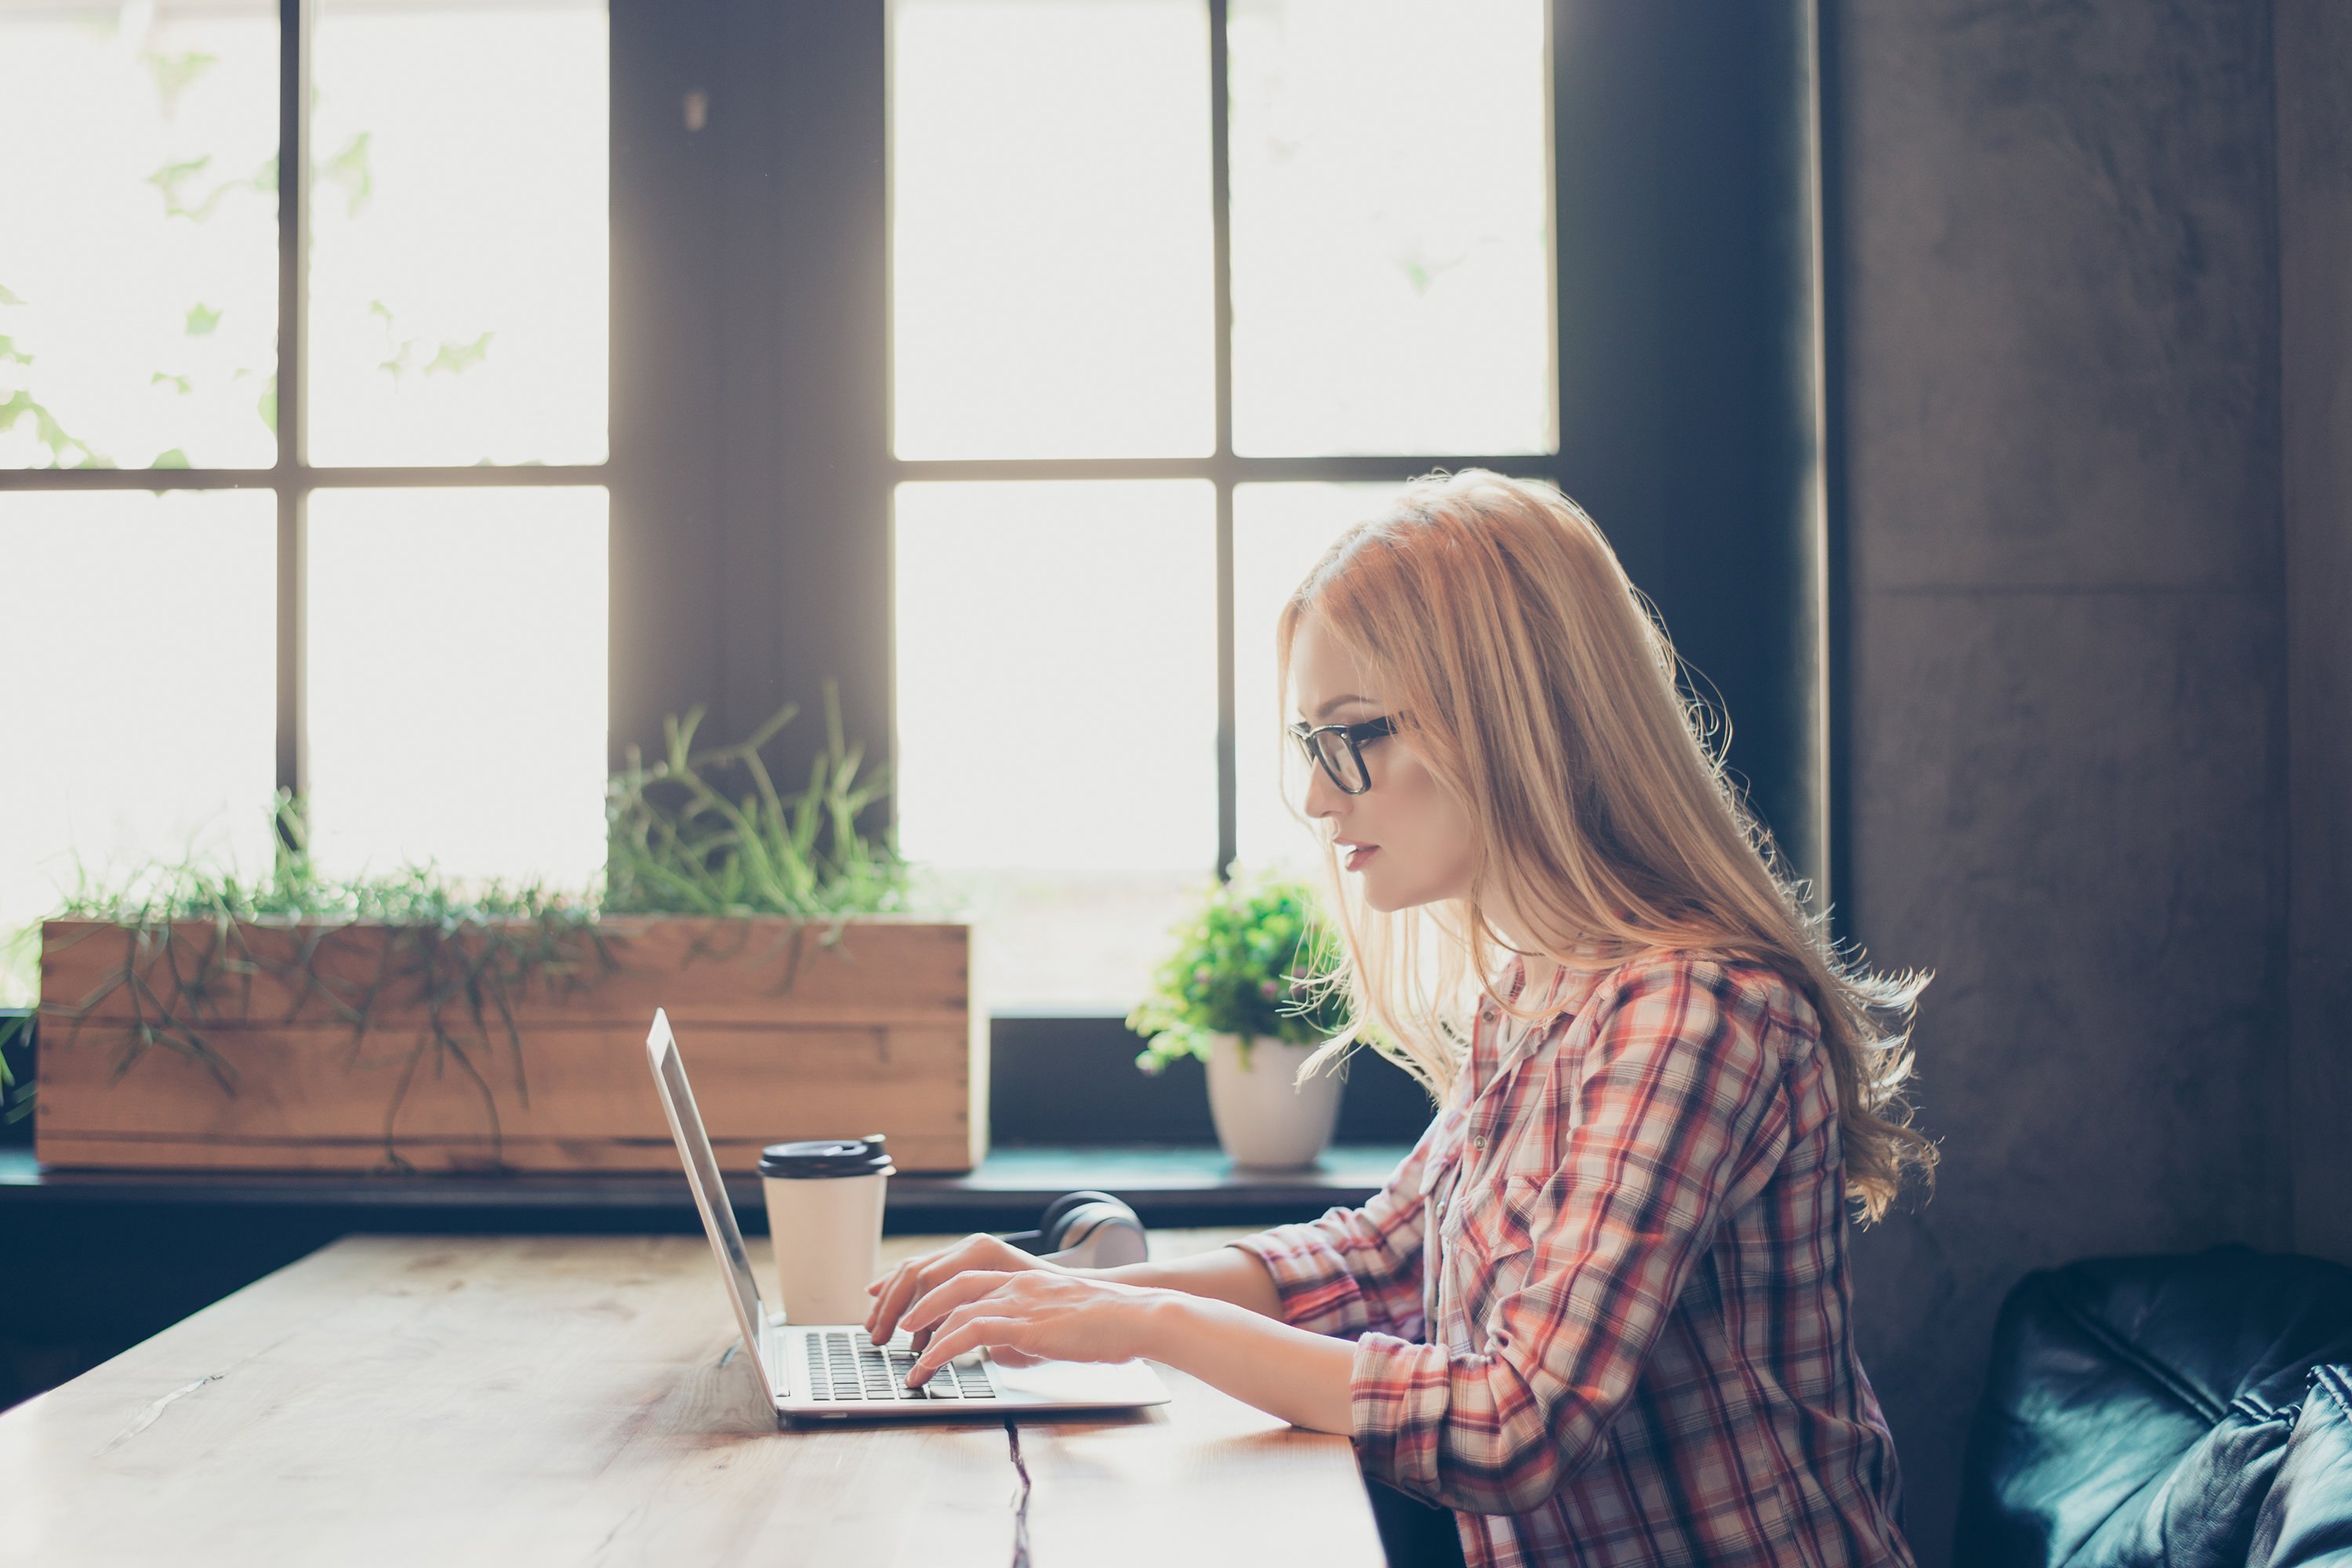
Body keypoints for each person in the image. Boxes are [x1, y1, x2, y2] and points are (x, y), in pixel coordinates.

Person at [864, 470, 1933, 1567]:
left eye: (1353, 735)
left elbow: (1510, 1427)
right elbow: (1383, 1253)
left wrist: (1141, 1325)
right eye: (1309, 747)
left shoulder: (1693, 1014)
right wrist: (1066, 1292)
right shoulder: (1541, 986)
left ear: (1509, 722)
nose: (1322, 798)